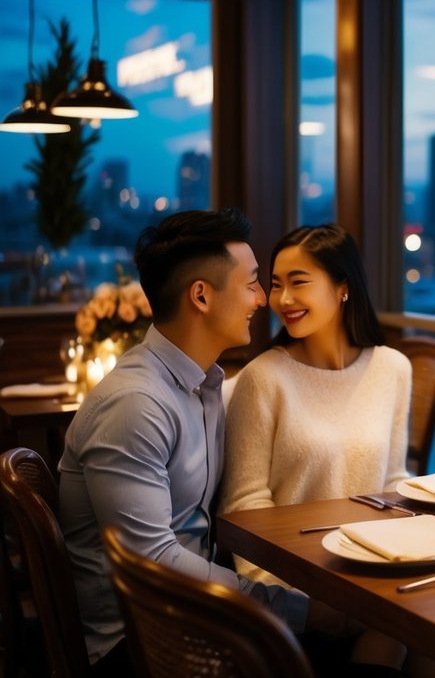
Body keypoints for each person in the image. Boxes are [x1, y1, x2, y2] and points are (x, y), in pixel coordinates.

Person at [58, 209, 340, 674]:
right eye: (252, 283)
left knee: (382, 637)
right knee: (358, 639)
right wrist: (299, 610)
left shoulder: (203, 385)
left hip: (192, 618)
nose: (261, 300)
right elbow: (155, 564)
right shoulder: (136, 404)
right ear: (202, 296)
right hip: (140, 647)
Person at [220, 223, 412, 675]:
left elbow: (394, 482)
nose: (283, 299)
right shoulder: (264, 378)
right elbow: (244, 508)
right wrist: (298, 604)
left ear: (343, 287)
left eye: (299, 282)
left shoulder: (393, 369)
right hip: (296, 593)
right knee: (399, 636)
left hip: (375, 574)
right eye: (275, 284)